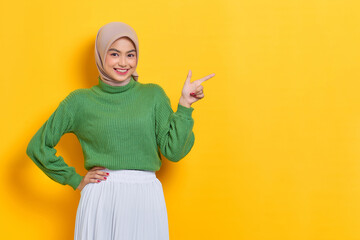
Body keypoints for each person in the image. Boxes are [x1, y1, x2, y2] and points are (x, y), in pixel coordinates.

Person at [26, 21, 215, 240]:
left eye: (130, 54)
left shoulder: (153, 96)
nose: (123, 62)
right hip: (100, 198)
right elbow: (37, 147)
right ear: (101, 55)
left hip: (145, 197)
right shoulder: (79, 102)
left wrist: (184, 105)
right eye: (114, 54)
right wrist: (75, 180)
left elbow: (174, 152)